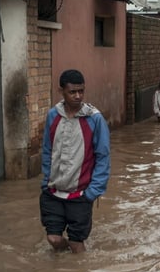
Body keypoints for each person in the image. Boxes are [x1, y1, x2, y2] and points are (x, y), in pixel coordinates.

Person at [40, 69, 111, 253]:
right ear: (61, 91)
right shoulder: (53, 116)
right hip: (53, 191)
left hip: (81, 195)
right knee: (54, 239)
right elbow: (48, 150)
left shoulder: (94, 119)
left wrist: (93, 191)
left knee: (76, 244)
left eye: (81, 91)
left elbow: (103, 157)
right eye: (72, 92)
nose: (78, 96)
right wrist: (46, 180)